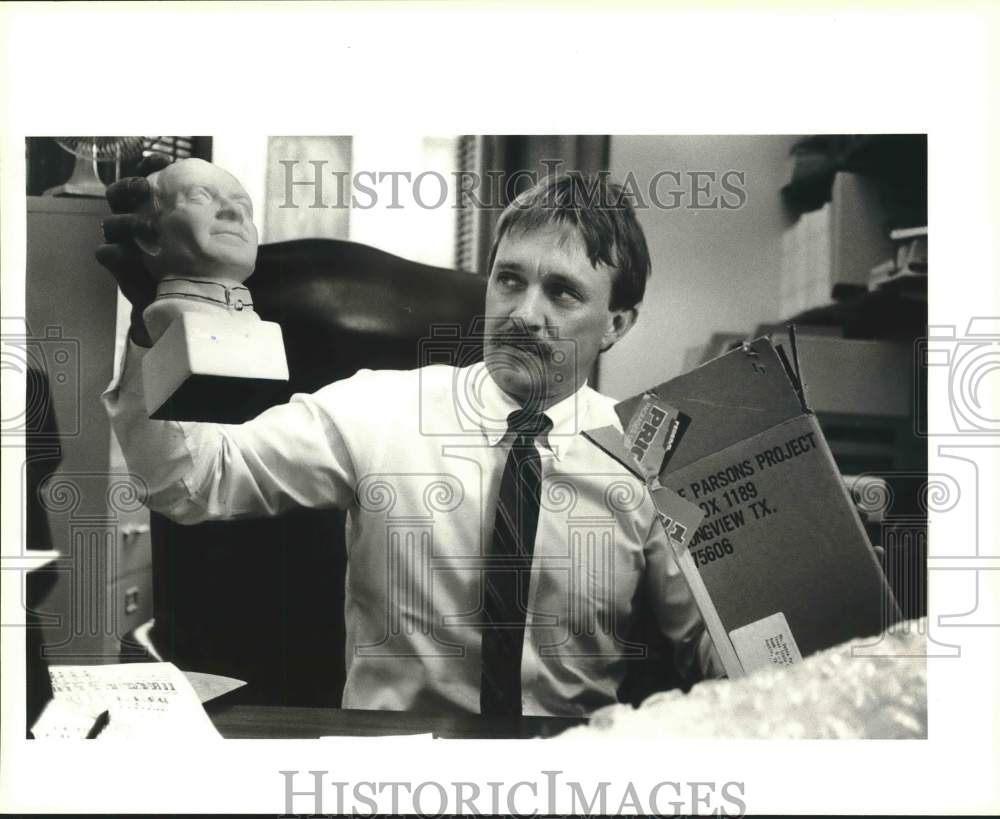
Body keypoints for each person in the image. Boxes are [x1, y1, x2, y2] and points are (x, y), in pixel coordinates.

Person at [99, 156, 722, 718]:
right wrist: (154, 338)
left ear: (616, 323)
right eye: (510, 280)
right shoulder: (381, 408)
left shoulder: (652, 459)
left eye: (561, 292)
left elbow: (710, 647)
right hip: (389, 764)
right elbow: (190, 480)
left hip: (569, 772)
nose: (524, 314)